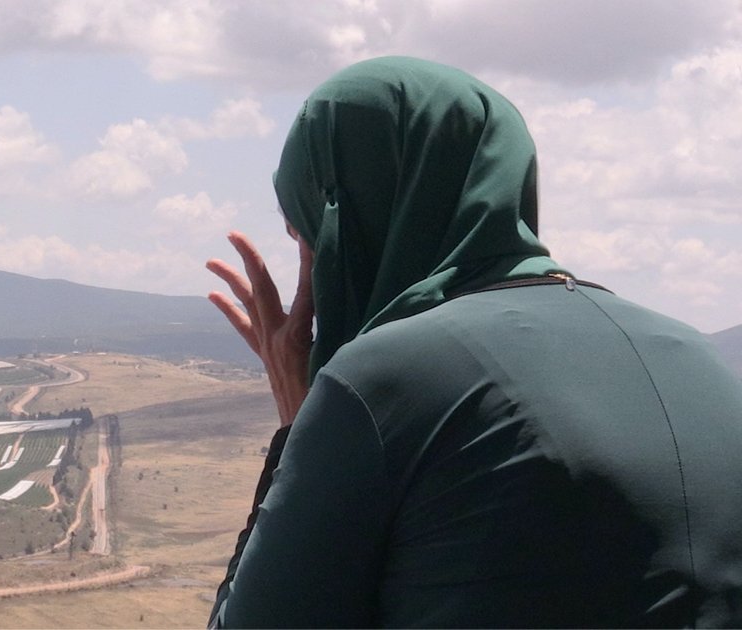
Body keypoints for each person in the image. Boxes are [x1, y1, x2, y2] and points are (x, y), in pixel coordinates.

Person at [205, 57, 742, 628]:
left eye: (305, 229)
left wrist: (298, 421)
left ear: (349, 225)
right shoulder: (701, 360)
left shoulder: (385, 382)